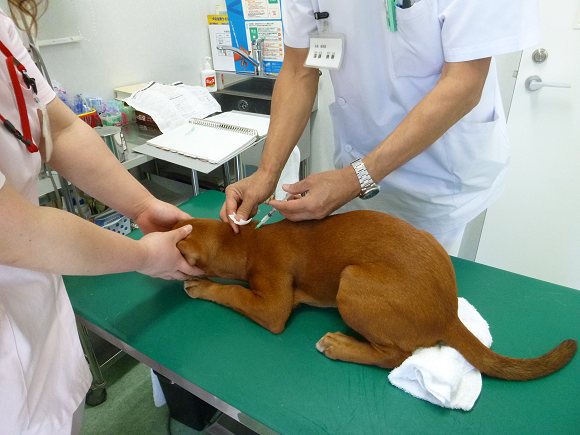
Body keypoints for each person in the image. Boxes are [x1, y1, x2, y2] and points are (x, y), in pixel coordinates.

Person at [0, 3, 203, 434]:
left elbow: (64, 131)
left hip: (37, 317)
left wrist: (142, 206)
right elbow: (12, 231)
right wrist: (145, 255)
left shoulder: (3, 31)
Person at [221, 0, 540, 254]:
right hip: (355, 169)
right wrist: (266, 173)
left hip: (437, 177)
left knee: (416, 299)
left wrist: (355, 177)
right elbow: (297, 70)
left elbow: (464, 84)